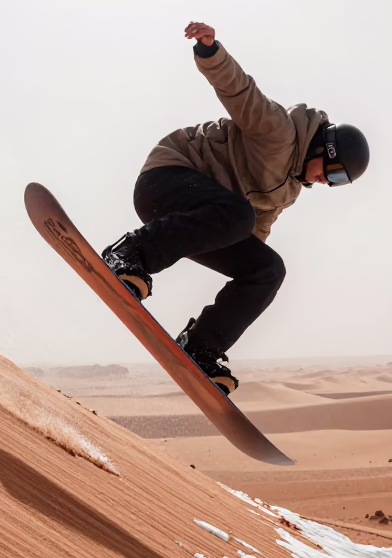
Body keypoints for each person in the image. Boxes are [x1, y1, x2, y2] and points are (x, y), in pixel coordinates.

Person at [103, 21, 369, 395]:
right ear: (325, 150)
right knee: (237, 217)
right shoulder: (279, 130)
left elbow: (255, 232)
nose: (329, 183)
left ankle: (202, 346)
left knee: (268, 268)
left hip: (205, 212)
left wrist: (242, 274)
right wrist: (210, 51)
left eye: (339, 183)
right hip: (166, 177)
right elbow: (239, 91)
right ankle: (127, 256)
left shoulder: (290, 190)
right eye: (335, 173)